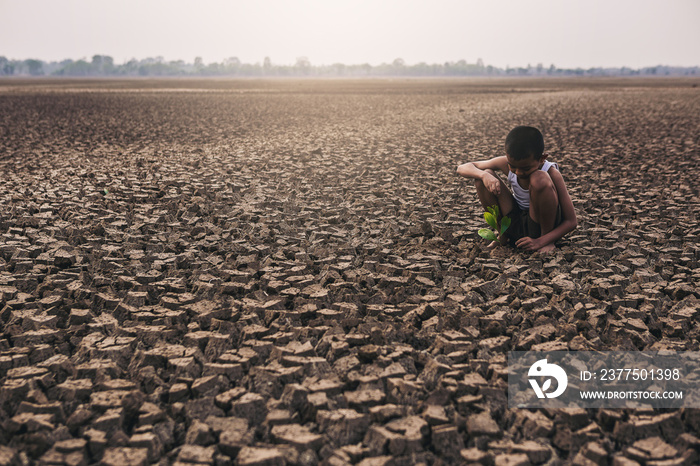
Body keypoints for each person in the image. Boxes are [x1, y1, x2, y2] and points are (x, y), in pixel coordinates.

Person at [456, 126, 576, 252]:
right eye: (512, 166)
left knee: (539, 178)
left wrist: (542, 241)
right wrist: (484, 175)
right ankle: (503, 235)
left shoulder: (551, 172)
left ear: (542, 158)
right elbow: (462, 167)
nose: (518, 172)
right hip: (514, 221)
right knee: (483, 176)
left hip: (540, 227)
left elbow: (571, 221)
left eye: (526, 169)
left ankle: (546, 240)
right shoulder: (506, 163)